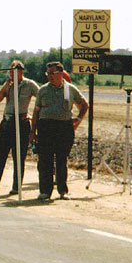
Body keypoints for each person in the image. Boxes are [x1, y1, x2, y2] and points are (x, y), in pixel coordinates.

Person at [30, 62, 89, 201]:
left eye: (52, 73)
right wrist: (33, 131)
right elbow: (36, 111)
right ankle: (45, 191)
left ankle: (63, 190)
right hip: (45, 127)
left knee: (62, 160)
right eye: (48, 74)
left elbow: (84, 104)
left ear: (61, 74)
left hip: (64, 128)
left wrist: (78, 119)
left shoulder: (70, 89)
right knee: (45, 160)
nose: (50, 76)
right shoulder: (43, 90)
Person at [0, 60, 39, 196]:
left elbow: (41, 98)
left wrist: (32, 116)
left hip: (21, 123)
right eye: (11, 71)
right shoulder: (8, 85)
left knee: (19, 157)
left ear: (21, 72)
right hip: (7, 123)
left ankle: (16, 187)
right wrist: (6, 86)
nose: (12, 74)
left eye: (15, 71)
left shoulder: (29, 85)